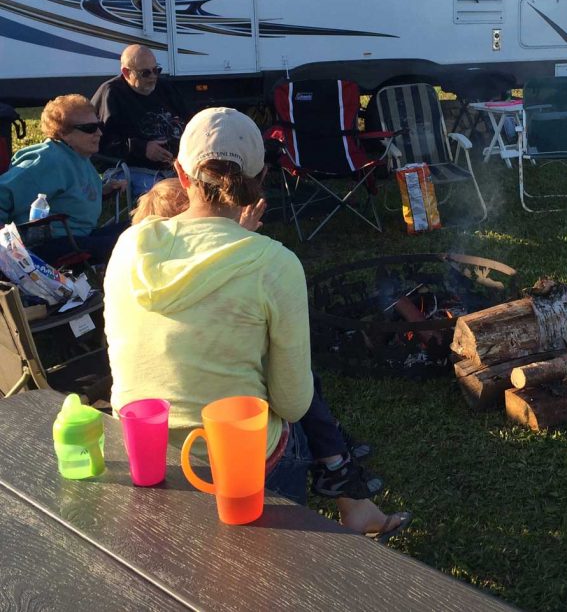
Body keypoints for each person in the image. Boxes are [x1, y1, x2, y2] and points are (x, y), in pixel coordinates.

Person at [105, 108, 409, 540]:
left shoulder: (131, 244)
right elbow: (292, 403)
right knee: (291, 414)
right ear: (261, 175)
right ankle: (343, 506)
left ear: (180, 173)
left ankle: (354, 503)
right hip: (237, 467)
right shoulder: (274, 264)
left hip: (141, 452)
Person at [131, 177, 386, 501]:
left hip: (156, 445)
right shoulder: (256, 265)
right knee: (295, 384)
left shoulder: (136, 264)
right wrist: (240, 235)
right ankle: (336, 465)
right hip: (233, 451)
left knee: (297, 380)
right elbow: (289, 402)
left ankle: (339, 466)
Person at [0, 94, 127, 264]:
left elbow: (70, 193)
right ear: (63, 132)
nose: (99, 133)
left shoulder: (78, 156)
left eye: (98, 125)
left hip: (81, 237)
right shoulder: (47, 160)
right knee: (135, 241)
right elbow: (4, 191)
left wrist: (104, 190)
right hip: (52, 246)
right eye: (90, 128)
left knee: (144, 225)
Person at [91, 44, 189, 198]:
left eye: (156, 70)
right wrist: (143, 149)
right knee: (168, 197)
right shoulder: (112, 94)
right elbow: (99, 145)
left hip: (176, 165)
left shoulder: (165, 88)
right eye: (145, 73)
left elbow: (190, 120)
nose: (152, 77)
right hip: (135, 168)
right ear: (126, 72)